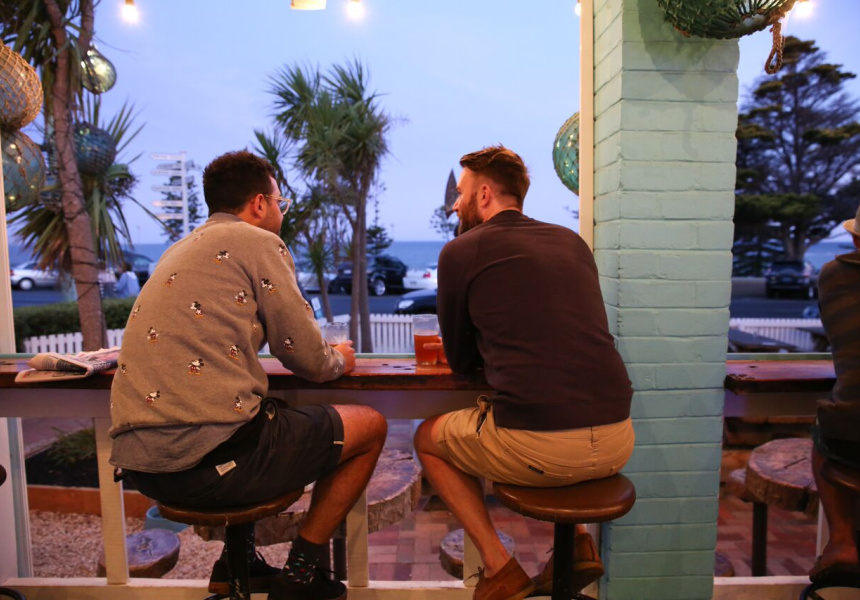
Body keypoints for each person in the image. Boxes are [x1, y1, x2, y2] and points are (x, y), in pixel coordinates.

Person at [109, 150, 387, 600]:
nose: (281, 212)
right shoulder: (259, 242)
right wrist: (341, 359)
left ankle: (237, 563)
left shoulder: (179, 249)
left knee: (262, 413)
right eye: (280, 202)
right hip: (204, 462)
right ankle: (299, 577)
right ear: (259, 203)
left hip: (144, 466)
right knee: (370, 427)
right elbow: (307, 357)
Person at [414, 145, 635, 600]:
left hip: (543, 449)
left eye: (461, 193)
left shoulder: (460, 251)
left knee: (427, 439)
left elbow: (461, 361)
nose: (454, 205)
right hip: (619, 439)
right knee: (555, 419)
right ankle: (577, 545)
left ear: (484, 194)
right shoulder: (571, 242)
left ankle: (500, 569)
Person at [808, 204, 860, 583]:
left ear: (855, 238)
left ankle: (842, 538)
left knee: (824, 431)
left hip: (850, 432)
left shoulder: (834, 275)